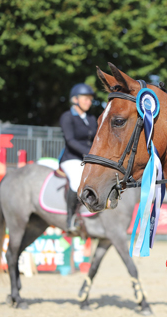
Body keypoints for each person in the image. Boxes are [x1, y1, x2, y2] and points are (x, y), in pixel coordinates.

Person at [59, 83, 98, 236]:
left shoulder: (91, 118)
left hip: (89, 158)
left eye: (90, 99)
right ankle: (70, 218)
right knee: (77, 181)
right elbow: (70, 141)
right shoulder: (67, 117)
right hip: (71, 158)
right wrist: (90, 154)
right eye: (86, 99)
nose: (89, 102)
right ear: (75, 99)